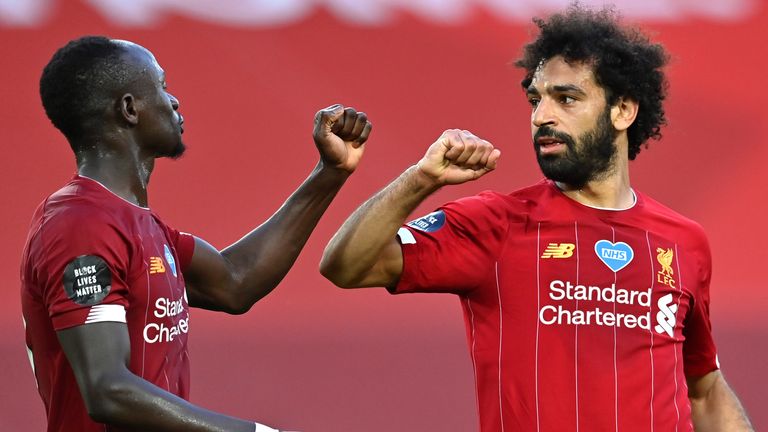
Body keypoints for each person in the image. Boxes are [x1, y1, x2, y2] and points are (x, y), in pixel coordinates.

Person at [320, 4, 753, 431]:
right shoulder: (496, 224)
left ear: (623, 110)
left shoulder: (684, 241)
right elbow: (345, 265)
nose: (542, 116)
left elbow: (705, 390)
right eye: (535, 99)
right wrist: (421, 179)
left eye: (566, 98)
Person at [21, 35, 371, 432]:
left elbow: (236, 280)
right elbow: (107, 390)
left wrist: (330, 172)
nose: (173, 101)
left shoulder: (138, 225)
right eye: (161, 86)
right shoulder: (79, 226)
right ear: (129, 109)